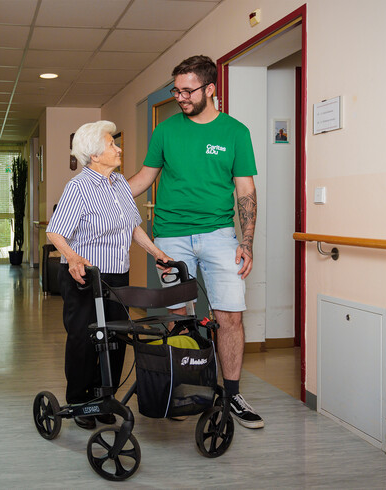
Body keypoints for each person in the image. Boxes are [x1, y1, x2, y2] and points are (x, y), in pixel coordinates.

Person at [128, 55, 263, 429]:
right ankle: (181, 386)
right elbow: (144, 177)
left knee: (229, 316)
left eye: (188, 91)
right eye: (177, 90)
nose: (181, 97)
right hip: (170, 237)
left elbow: (246, 191)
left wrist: (247, 242)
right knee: (178, 316)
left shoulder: (235, 132)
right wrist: (107, 191)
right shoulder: (166, 131)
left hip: (220, 235)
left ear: (210, 89)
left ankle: (232, 393)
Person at [47, 120, 172, 430]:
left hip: (117, 276)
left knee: (115, 338)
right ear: (94, 154)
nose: (119, 148)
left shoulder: (118, 185)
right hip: (84, 277)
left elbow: (133, 227)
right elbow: (55, 232)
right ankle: (79, 401)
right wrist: (74, 257)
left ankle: (104, 398)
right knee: (85, 339)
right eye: (112, 145)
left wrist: (157, 253)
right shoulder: (78, 187)